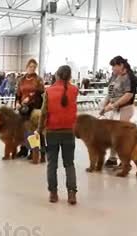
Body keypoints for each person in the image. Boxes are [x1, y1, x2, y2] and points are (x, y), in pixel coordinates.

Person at [40, 65, 78, 205]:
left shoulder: (49, 91)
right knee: (69, 164)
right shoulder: (75, 90)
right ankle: (72, 194)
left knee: (52, 164)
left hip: (52, 132)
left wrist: (39, 130)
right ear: (69, 76)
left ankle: (53, 193)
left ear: (56, 75)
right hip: (69, 132)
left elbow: (44, 113)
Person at [99, 56, 137, 168]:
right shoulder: (115, 76)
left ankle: (126, 160)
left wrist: (113, 105)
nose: (112, 69)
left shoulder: (130, 77)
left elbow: (128, 95)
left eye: (114, 66)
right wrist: (104, 105)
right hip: (113, 109)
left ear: (121, 65)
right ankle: (112, 158)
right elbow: (110, 92)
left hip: (125, 109)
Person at [15, 58, 45, 163]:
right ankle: (23, 150)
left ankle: (34, 151)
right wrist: (17, 103)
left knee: (32, 130)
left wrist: (31, 98)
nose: (32, 68)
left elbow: (41, 93)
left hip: (34, 107)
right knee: (22, 129)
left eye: (34, 67)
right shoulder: (21, 80)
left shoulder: (38, 79)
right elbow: (18, 94)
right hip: (22, 108)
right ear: (26, 67)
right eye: (30, 66)